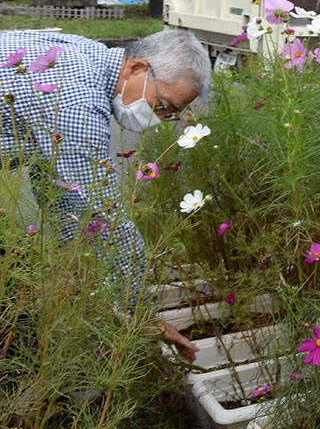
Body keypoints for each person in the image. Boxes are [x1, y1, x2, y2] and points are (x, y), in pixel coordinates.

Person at [0, 29, 211, 361]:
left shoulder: (90, 57)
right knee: (12, 315)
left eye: (169, 115)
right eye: (163, 106)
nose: (158, 120)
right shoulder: (77, 96)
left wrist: (68, 252)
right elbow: (104, 213)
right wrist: (140, 312)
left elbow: (56, 182)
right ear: (137, 68)